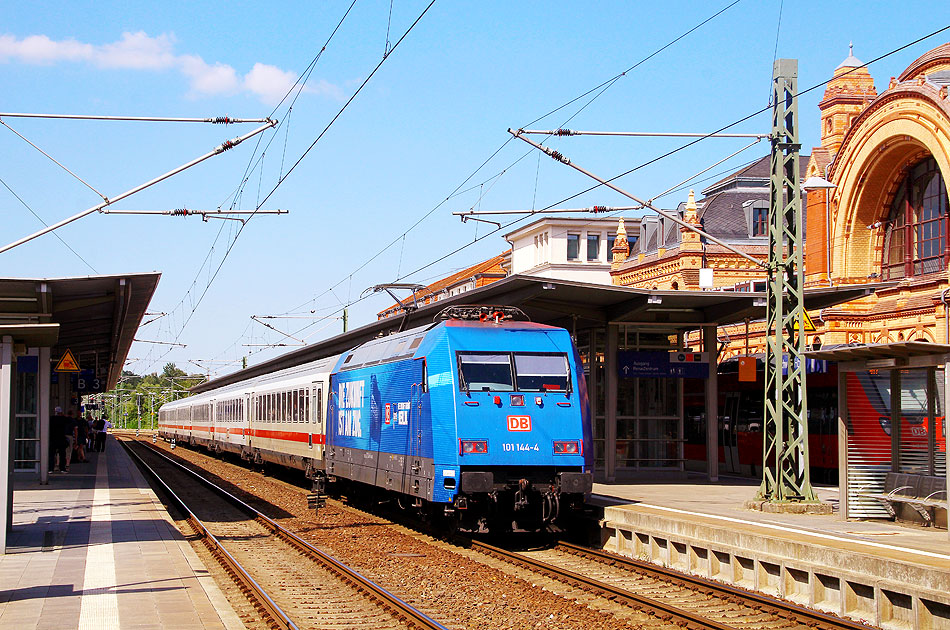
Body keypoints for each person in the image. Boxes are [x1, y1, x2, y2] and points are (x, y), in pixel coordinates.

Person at [49, 406, 68, 473]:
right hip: (61, 439)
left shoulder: (51, 419)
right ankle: (62, 468)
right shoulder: (64, 419)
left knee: (51, 454)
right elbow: (69, 421)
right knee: (62, 455)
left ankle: (50, 468)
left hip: (53, 439)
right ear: (61, 412)